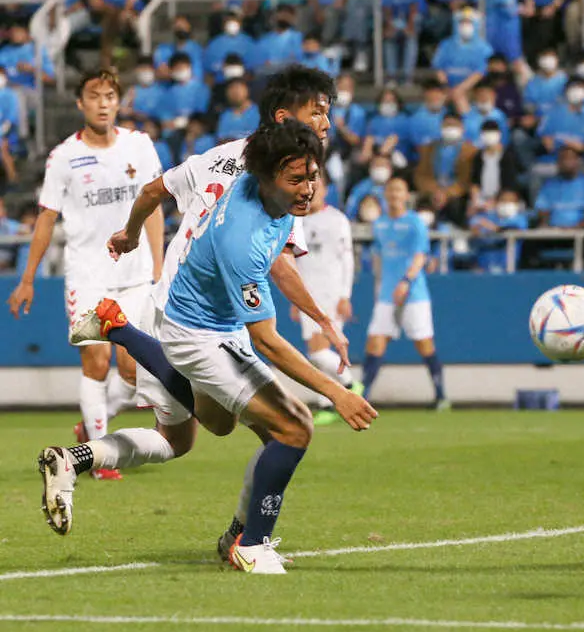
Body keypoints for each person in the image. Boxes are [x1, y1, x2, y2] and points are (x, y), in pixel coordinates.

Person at [40, 120, 378, 574]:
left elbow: (274, 260)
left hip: (205, 319)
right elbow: (268, 341)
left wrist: (321, 318)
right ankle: (249, 544)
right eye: (297, 179)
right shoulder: (243, 238)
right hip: (198, 333)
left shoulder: (265, 190)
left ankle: (116, 327)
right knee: (294, 428)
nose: (307, 189)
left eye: (313, 177)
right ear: (267, 173)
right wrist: (338, 392)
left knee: (217, 425)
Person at [8, 69, 164, 481]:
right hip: (88, 277)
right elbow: (46, 218)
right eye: (94, 96)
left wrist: (159, 266)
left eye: (110, 95)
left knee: (131, 372)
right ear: (81, 103)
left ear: (118, 101)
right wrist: (28, 278)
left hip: (136, 277)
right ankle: (95, 457)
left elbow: (153, 205)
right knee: (96, 362)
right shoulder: (64, 157)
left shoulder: (139, 145)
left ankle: (90, 426)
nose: (102, 103)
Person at [362, 177, 449, 411]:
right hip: (387, 294)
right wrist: (379, 287)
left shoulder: (415, 222)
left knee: (424, 343)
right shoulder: (379, 224)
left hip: (414, 293)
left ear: (406, 195)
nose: (394, 194)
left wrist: (406, 281)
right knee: (375, 342)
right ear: (385, 194)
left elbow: (421, 255)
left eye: (399, 190)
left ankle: (441, 396)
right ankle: (362, 398)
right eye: (390, 190)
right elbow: (378, 257)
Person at [294, 177, 363, 425]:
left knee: (318, 351)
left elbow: (347, 260)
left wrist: (345, 295)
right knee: (315, 354)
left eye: (317, 186)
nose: (311, 190)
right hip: (307, 294)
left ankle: (350, 383)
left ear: (324, 190)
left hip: (330, 293)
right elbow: (296, 263)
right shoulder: (296, 219)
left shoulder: (336, 220)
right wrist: (295, 298)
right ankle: (327, 405)